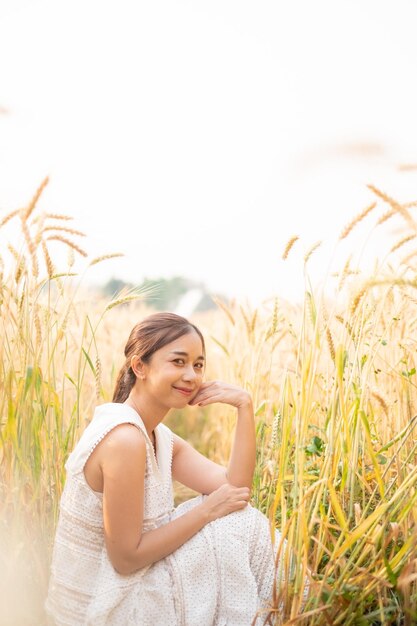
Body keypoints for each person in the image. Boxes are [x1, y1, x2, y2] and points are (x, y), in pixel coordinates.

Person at [45, 312, 289, 625]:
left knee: (241, 520)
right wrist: (206, 511)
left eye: (198, 364)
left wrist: (244, 405)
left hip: (134, 578)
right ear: (139, 367)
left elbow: (235, 488)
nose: (192, 375)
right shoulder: (124, 440)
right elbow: (125, 559)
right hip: (104, 603)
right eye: (178, 362)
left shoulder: (157, 436)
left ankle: (285, 613)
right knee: (233, 525)